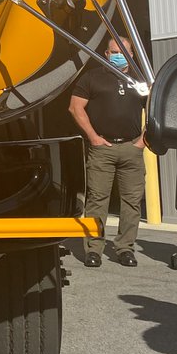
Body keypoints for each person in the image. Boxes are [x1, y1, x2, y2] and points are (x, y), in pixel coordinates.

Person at [69, 36, 147, 268]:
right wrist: (93, 137)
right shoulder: (92, 78)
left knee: (132, 202)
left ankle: (125, 248)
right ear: (106, 53)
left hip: (132, 149)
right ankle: (94, 249)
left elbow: (156, 110)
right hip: (102, 150)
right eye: (114, 51)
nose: (118, 55)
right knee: (97, 200)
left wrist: (143, 141)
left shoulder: (141, 81)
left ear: (131, 55)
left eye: (123, 51)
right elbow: (75, 107)